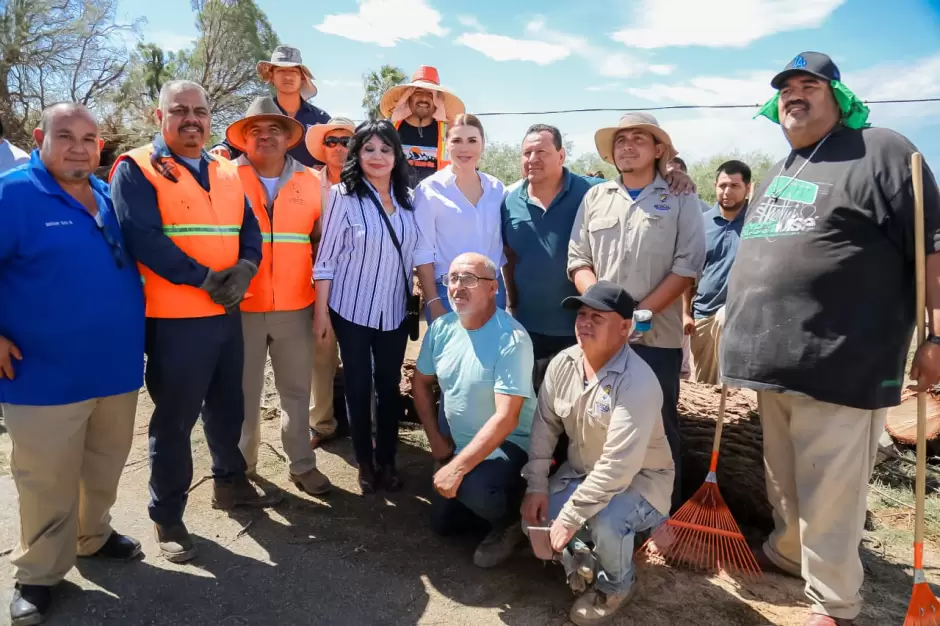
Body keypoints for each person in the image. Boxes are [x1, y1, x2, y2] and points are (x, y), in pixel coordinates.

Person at [720, 52, 940, 626]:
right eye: (786, 87)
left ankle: (835, 603)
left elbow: (932, 253)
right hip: (773, 360)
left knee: (833, 490)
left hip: (844, 357)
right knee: (783, 479)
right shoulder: (782, 167)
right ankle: (789, 554)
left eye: (809, 85)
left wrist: (936, 336)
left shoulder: (885, 152)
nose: (795, 94)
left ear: (837, 96)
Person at [110, 80, 280, 565]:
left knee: (229, 407)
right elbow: (142, 237)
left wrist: (247, 266)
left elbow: (249, 227)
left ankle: (229, 483)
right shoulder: (137, 167)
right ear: (157, 115)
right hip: (176, 318)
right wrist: (205, 279)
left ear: (210, 118)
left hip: (227, 313)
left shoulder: (225, 168)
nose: (191, 119)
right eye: (179, 110)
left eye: (200, 111)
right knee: (174, 422)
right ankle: (167, 516)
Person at [0, 103, 145, 626]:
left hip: (116, 368)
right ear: (40, 138)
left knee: (104, 464)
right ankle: (38, 574)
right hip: (42, 372)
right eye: (66, 136)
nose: (79, 147)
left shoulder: (107, 195)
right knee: (46, 478)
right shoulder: (14, 193)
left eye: (89, 138)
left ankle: (93, 535)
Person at [568, 112, 706, 512]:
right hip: (599, 335)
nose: (627, 146)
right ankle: (599, 507)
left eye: (638, 139)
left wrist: (635, 316)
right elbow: (578, 259)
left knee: (659, 424)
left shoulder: (680, 198)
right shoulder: (596, 197)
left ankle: (662, 515)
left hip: (655, 337)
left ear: (658, 150)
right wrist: (602, 311)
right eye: (621, 139)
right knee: (596, 421)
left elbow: (687, 265)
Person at [502, 124, 696, 395]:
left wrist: (672, 173)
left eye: (542, 152)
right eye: (527, 152)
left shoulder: (590, 190)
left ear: (561, 156)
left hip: (587, 331)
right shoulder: (510, 201)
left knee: (650, 420)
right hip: (539, 326)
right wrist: (606, 310)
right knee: (560, 413)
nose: (533, 159)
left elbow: (688, 265)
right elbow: (521, 257)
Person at [521, 281, 673, 626]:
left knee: (607, 520)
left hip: (640, 481)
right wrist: (536, 486)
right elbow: (545, 426)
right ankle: (583, 554)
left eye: (597, 317)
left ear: (624, 328)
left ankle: (616, 585)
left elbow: (619, 467)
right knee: (534, 518)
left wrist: (572, 516)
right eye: (582, 314)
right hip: (583, 473)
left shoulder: (638, 381)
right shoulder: (563, 363)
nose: (584, 322)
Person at [313, 120, 437, 493]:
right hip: (350, 309)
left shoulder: (409, 201)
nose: (378, 156)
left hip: (394, 310)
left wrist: (430, 299)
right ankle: (365, 463)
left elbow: (419, 253)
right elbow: (327, 259)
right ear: (357, 154)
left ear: (397, 155)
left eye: (386, 149)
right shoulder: (342, 196)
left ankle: (387, 459)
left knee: (388, 385)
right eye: (369, 149)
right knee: (357, 383)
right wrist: (322, 313)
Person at [225, 97, 332, 495]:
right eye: (256, 130)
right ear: (243, 139)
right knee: (242, 394)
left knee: (296, 391)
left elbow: (322, 245)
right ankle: (242, 467)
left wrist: (321, 308)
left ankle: (302, 465)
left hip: (296, 306)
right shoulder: (224, 177)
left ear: (289, 137)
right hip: (242, 308)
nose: (266, 136)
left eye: (275, 129)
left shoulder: (311, 181)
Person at [412, 253, 536, 569]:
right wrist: (436, 441)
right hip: (457, 445)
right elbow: (420, 384)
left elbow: (507, 418)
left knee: (473, 489)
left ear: (494, 288)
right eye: (452, 278)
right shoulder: (441, 329)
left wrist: (457, 468)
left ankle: (513, 518)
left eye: (469, 279)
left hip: (505, 448)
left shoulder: (512, 338)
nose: (458, 287)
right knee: (443, 526)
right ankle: (479, 502)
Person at [414, 113, 507, 322]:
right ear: (446, 144)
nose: (465, 148)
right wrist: (433, 302)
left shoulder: (496, 189)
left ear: (483, 144)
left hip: (493, 292)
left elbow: (503, 246)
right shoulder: (429, 190)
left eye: (472, 140)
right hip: (449, 294)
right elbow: (422, 252)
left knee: (493, 354)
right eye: (457, 140)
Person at [303, 117, 355, 448]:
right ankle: (321, 424)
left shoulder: (372, 182)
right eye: (331, 141)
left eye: (345, 140)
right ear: (323, 148)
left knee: (362, 357)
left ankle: (367, 423)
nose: (338, 147)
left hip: (359, 283)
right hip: (316, 284)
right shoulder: (305, 182)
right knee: (321, 355)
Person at [681, 160, 750, 384]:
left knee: (735, 387)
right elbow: (687, 272)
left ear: (748, 188)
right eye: (722, 186)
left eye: (734, 186)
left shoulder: (757, 223)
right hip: (703, 315)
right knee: (706, 387)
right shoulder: (700, 224)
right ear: (714, 186)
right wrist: (685, 312)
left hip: (743, 316)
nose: (727, 192)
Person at [210, 46, 330, 167]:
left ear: (302, 78)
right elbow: (234, 143)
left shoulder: (321, 119)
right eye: (281, 71)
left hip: (310, 184)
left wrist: (327, 168)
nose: (287, 76)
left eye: (293, 71)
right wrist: (222, 148)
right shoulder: (261, 112)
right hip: (263, 185)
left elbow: (338, 150)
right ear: (271, 76)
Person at [379, 66, 465, 185]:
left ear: (437, 101)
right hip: (394, 201)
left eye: (430, 94)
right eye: (418, 92)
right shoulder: (388, 130)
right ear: (408, 97)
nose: (424, 98)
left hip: (434, 201)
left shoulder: (449, 134)